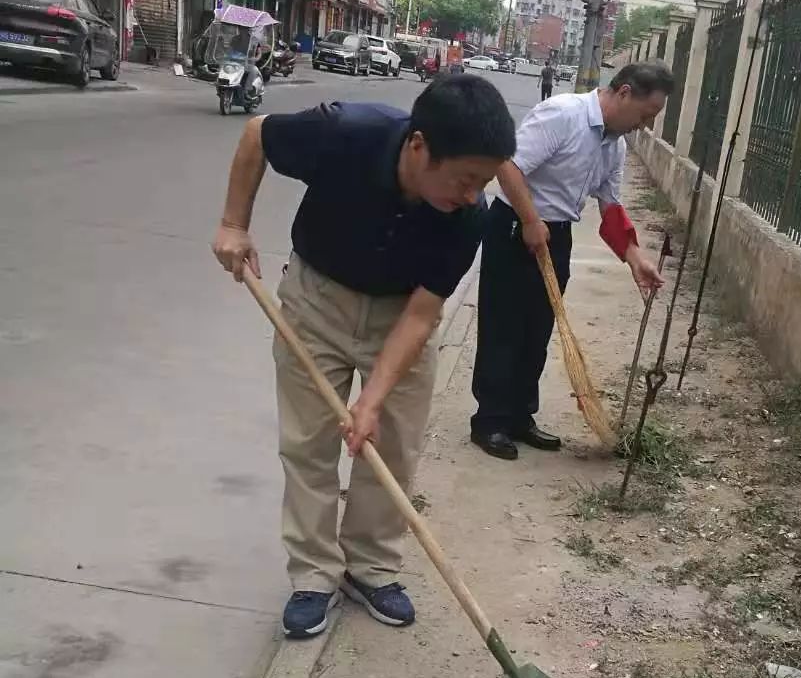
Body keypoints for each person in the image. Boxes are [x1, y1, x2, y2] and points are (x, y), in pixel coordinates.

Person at [212, 76, 517, 638]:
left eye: (484, 182)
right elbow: (257, 133)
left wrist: (371, 401)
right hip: (317, 302)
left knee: (392, 448)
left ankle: (370, 567)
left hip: (399, 317)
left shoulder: (471, 217)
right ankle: (313, 574)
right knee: (308, 444)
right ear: (420, 146)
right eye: (465, 179)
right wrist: (234, 224)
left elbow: (421, 316)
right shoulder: (344, 133)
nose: (473, 195)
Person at [470, 61, 673, 461]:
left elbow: (610, 205)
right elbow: (507, 165)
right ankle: (489, 421)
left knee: (538, 330)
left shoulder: (614, 145)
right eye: (646, 114)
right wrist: (530, 220)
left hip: (556, 236)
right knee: (503, 327)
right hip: (514, 228)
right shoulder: (564, 114)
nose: (645, 125)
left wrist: (634, 257)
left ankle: (519, 417)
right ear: (625, 93)